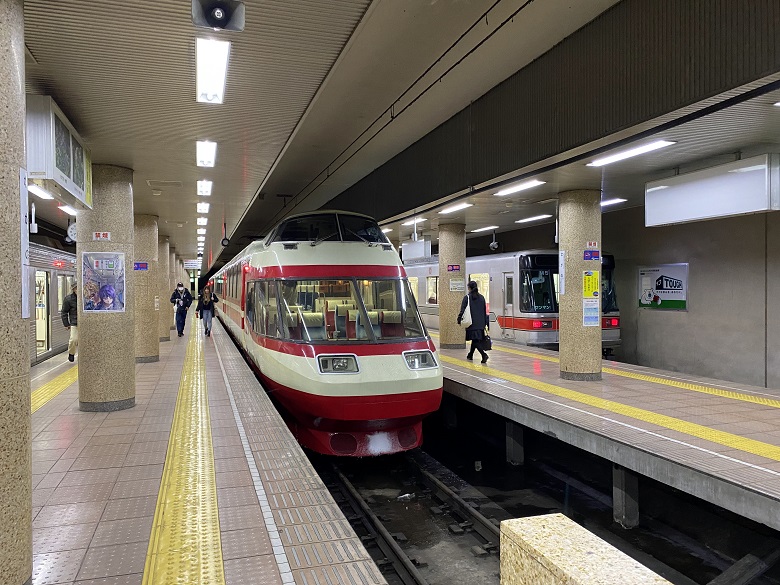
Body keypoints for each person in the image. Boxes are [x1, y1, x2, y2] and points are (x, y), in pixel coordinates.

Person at [457, 280, 490, 364]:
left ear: (469, 288)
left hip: (471, 323)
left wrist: (459, 319)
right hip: (480, 323)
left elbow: (463, 310)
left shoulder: (467, 298)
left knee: (475, 340)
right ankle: (470, 354)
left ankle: (484, 355)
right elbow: (484, 311)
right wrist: (486, 323)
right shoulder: (482, 298)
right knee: (475, 340)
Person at [60, 281, 78, 362]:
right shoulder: (68, 299)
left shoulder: (87, 298)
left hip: (86, 323)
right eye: (76, 288)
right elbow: (64, 312)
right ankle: (71, 353)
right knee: (73, 339)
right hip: (74, 323)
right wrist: (66, 324)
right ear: (73, 289)